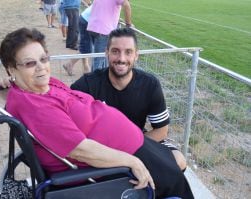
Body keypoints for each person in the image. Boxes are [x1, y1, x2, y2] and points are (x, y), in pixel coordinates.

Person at [0, 27, 194, 198]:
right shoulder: (36, 106)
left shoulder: (40, 89)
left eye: (43, 59)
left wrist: (12, 88)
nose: (41, 67)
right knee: (175, 185)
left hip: (134, 144)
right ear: (11, 68)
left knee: (175, 168)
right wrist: (132, 161)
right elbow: (81, 150)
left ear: (136, 55)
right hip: (121, 157)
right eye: (30, 63)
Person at [71, 28, 187, 171]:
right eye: (115, 51)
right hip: (101, 148)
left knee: (179, 161)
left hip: (139, 141)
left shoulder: (150, 84)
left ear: (136, 55)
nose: (121, 58)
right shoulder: (87, 85)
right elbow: (71, 129)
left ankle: (153, 192)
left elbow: (161, 130)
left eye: (128, 52)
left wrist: (130, 149)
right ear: (106, 52)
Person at [87, 0, 132, 71]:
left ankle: (102, 79)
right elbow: (126, 5)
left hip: (93, 27)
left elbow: (105, 8)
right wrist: (128, 24)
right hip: (103, 30)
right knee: (99, 60)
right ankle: (94, 81)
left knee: (102, 58)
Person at [62, 4, 92, 76]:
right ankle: (74, 65)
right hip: (87, 20)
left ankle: (84, 67)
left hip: (87, 18)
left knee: (86, 46)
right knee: (87, 47)